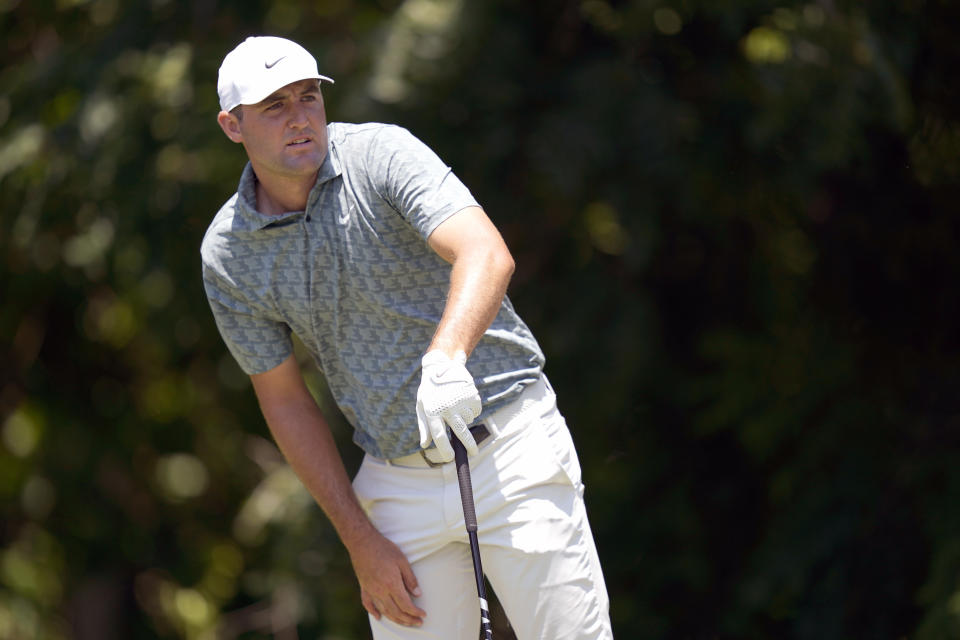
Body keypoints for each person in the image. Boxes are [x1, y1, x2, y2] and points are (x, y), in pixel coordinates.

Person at [201, 35, 613, 640]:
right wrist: (359, 539)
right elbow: (284, 398)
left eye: (308, 96)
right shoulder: (229, 253)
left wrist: (446, 360)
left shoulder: (382, 155)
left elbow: (485, 252)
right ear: (232, 127)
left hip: (508, 444)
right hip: (394, 479)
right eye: (274, 107)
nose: (299, 117)